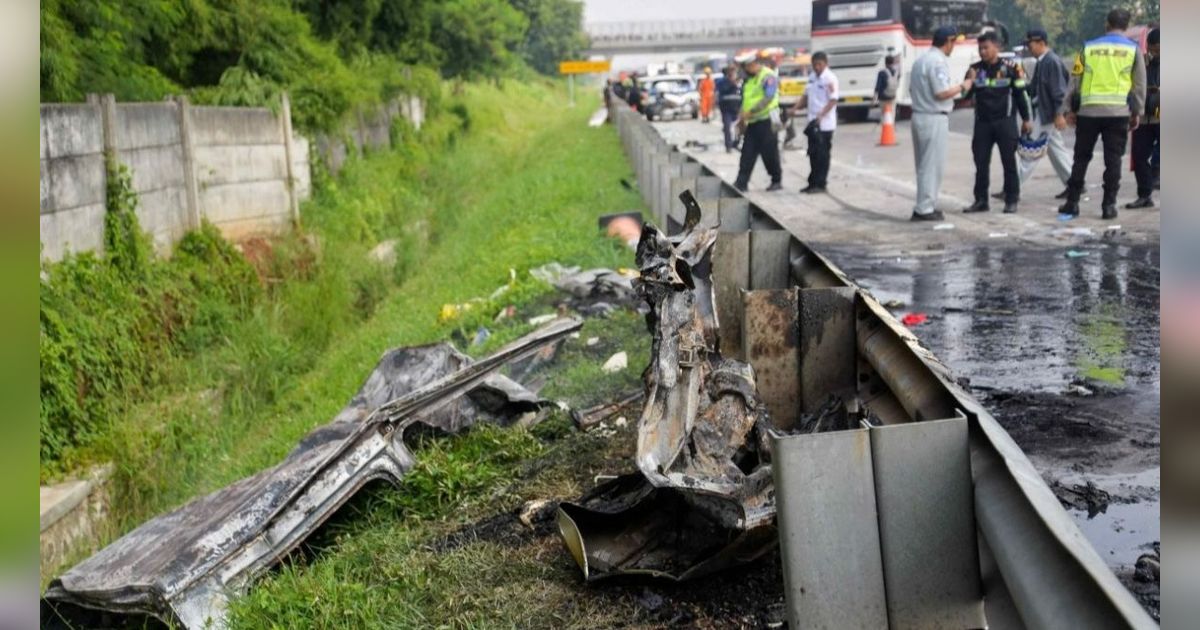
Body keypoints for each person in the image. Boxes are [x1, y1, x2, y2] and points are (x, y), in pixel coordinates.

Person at [1060, 8, 1147, 220]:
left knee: (1081, 158)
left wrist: (1069, 109)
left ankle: (1072, 204)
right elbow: (1139, 85)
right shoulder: (1133, 50)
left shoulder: (1088, 47)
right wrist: (1137, 112)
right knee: (1113, 161)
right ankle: (1108, 207)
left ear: (1107, 24)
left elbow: (1075, 79)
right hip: (1118, 113)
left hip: (1088, 112)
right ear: (1126, 27)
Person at [908, 26, 975, 221]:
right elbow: (941, 92)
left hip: (919, 114)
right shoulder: (937, 62)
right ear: (947, 41)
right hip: (933, 117)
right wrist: (964, 85)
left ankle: (923, 205)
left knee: (923, 165)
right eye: (953, 42)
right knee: (932, 166)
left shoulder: (921, 60)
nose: (954, 46)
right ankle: (925, 208)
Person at [962, 31, 1032, 214]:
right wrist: (970, 80)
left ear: (997, 47)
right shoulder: (974, 69)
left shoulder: (1011, 68)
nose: (983, 52)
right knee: (981, 163)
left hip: (1005, 121)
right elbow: (965, 96)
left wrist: (1026, 119)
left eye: (986, 48)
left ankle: (1011, 199)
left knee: (1009, 163)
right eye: (980, 48)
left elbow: (1020, 94)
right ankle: (981, 200)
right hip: (983, 123)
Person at [1013, 29, 1073, 198]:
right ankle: (1074, 183)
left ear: (1041, 43)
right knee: (1056, 150)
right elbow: (1034, 87)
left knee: (1031, 151)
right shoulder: (1043, 61)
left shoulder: (1051, 61)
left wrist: (1059, 114)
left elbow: (1059, 91)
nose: (1028, 48)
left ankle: (1013, 186)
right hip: (1045, 111)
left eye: (1030, 44)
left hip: (1048, 113)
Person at [788, 51, 839, 193]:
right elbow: (805, 97)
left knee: (822, 155)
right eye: (814, 64)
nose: (817, 67)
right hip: (812, 123)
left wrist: (822, 115)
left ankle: (821, 184)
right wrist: (795, 109)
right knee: (812, 154)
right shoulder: (811, 77)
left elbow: (833, 100)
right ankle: (812, 182)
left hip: (825, 124)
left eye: (819, 64)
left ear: (825, 63)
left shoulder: (830, 79)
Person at [733, 51, 783, 192]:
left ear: (751, 64)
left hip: (768, 120)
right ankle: (741, 182)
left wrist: (751, 111)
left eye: (745, 68)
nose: (743, 72)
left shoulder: (768, 76)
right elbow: (746, 100)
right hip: (753, 122)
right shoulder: (749, 80)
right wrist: (741, 117)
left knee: (769, 153)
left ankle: (776, 180)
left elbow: (768, 97)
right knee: (747, 152)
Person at [1127, 27, 1159, 209]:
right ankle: (1144, 195)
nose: (1155, 52)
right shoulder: (1141, 62)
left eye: (1158, 49)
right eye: (1152, 48)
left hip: (1161, 114)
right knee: (1139, 156)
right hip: (1143, 115)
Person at [716, 65, 742, 152]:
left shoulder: (740, 82)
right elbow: (722, 89)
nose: (732, 74)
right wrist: (732, 83)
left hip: (738, 108)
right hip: (726, 108)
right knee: (727, 127)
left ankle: (737, 142)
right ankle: (728, 146)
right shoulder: (722, 81)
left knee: (740, 127)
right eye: (731, 72)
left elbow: (743, 93)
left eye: (734, 72)